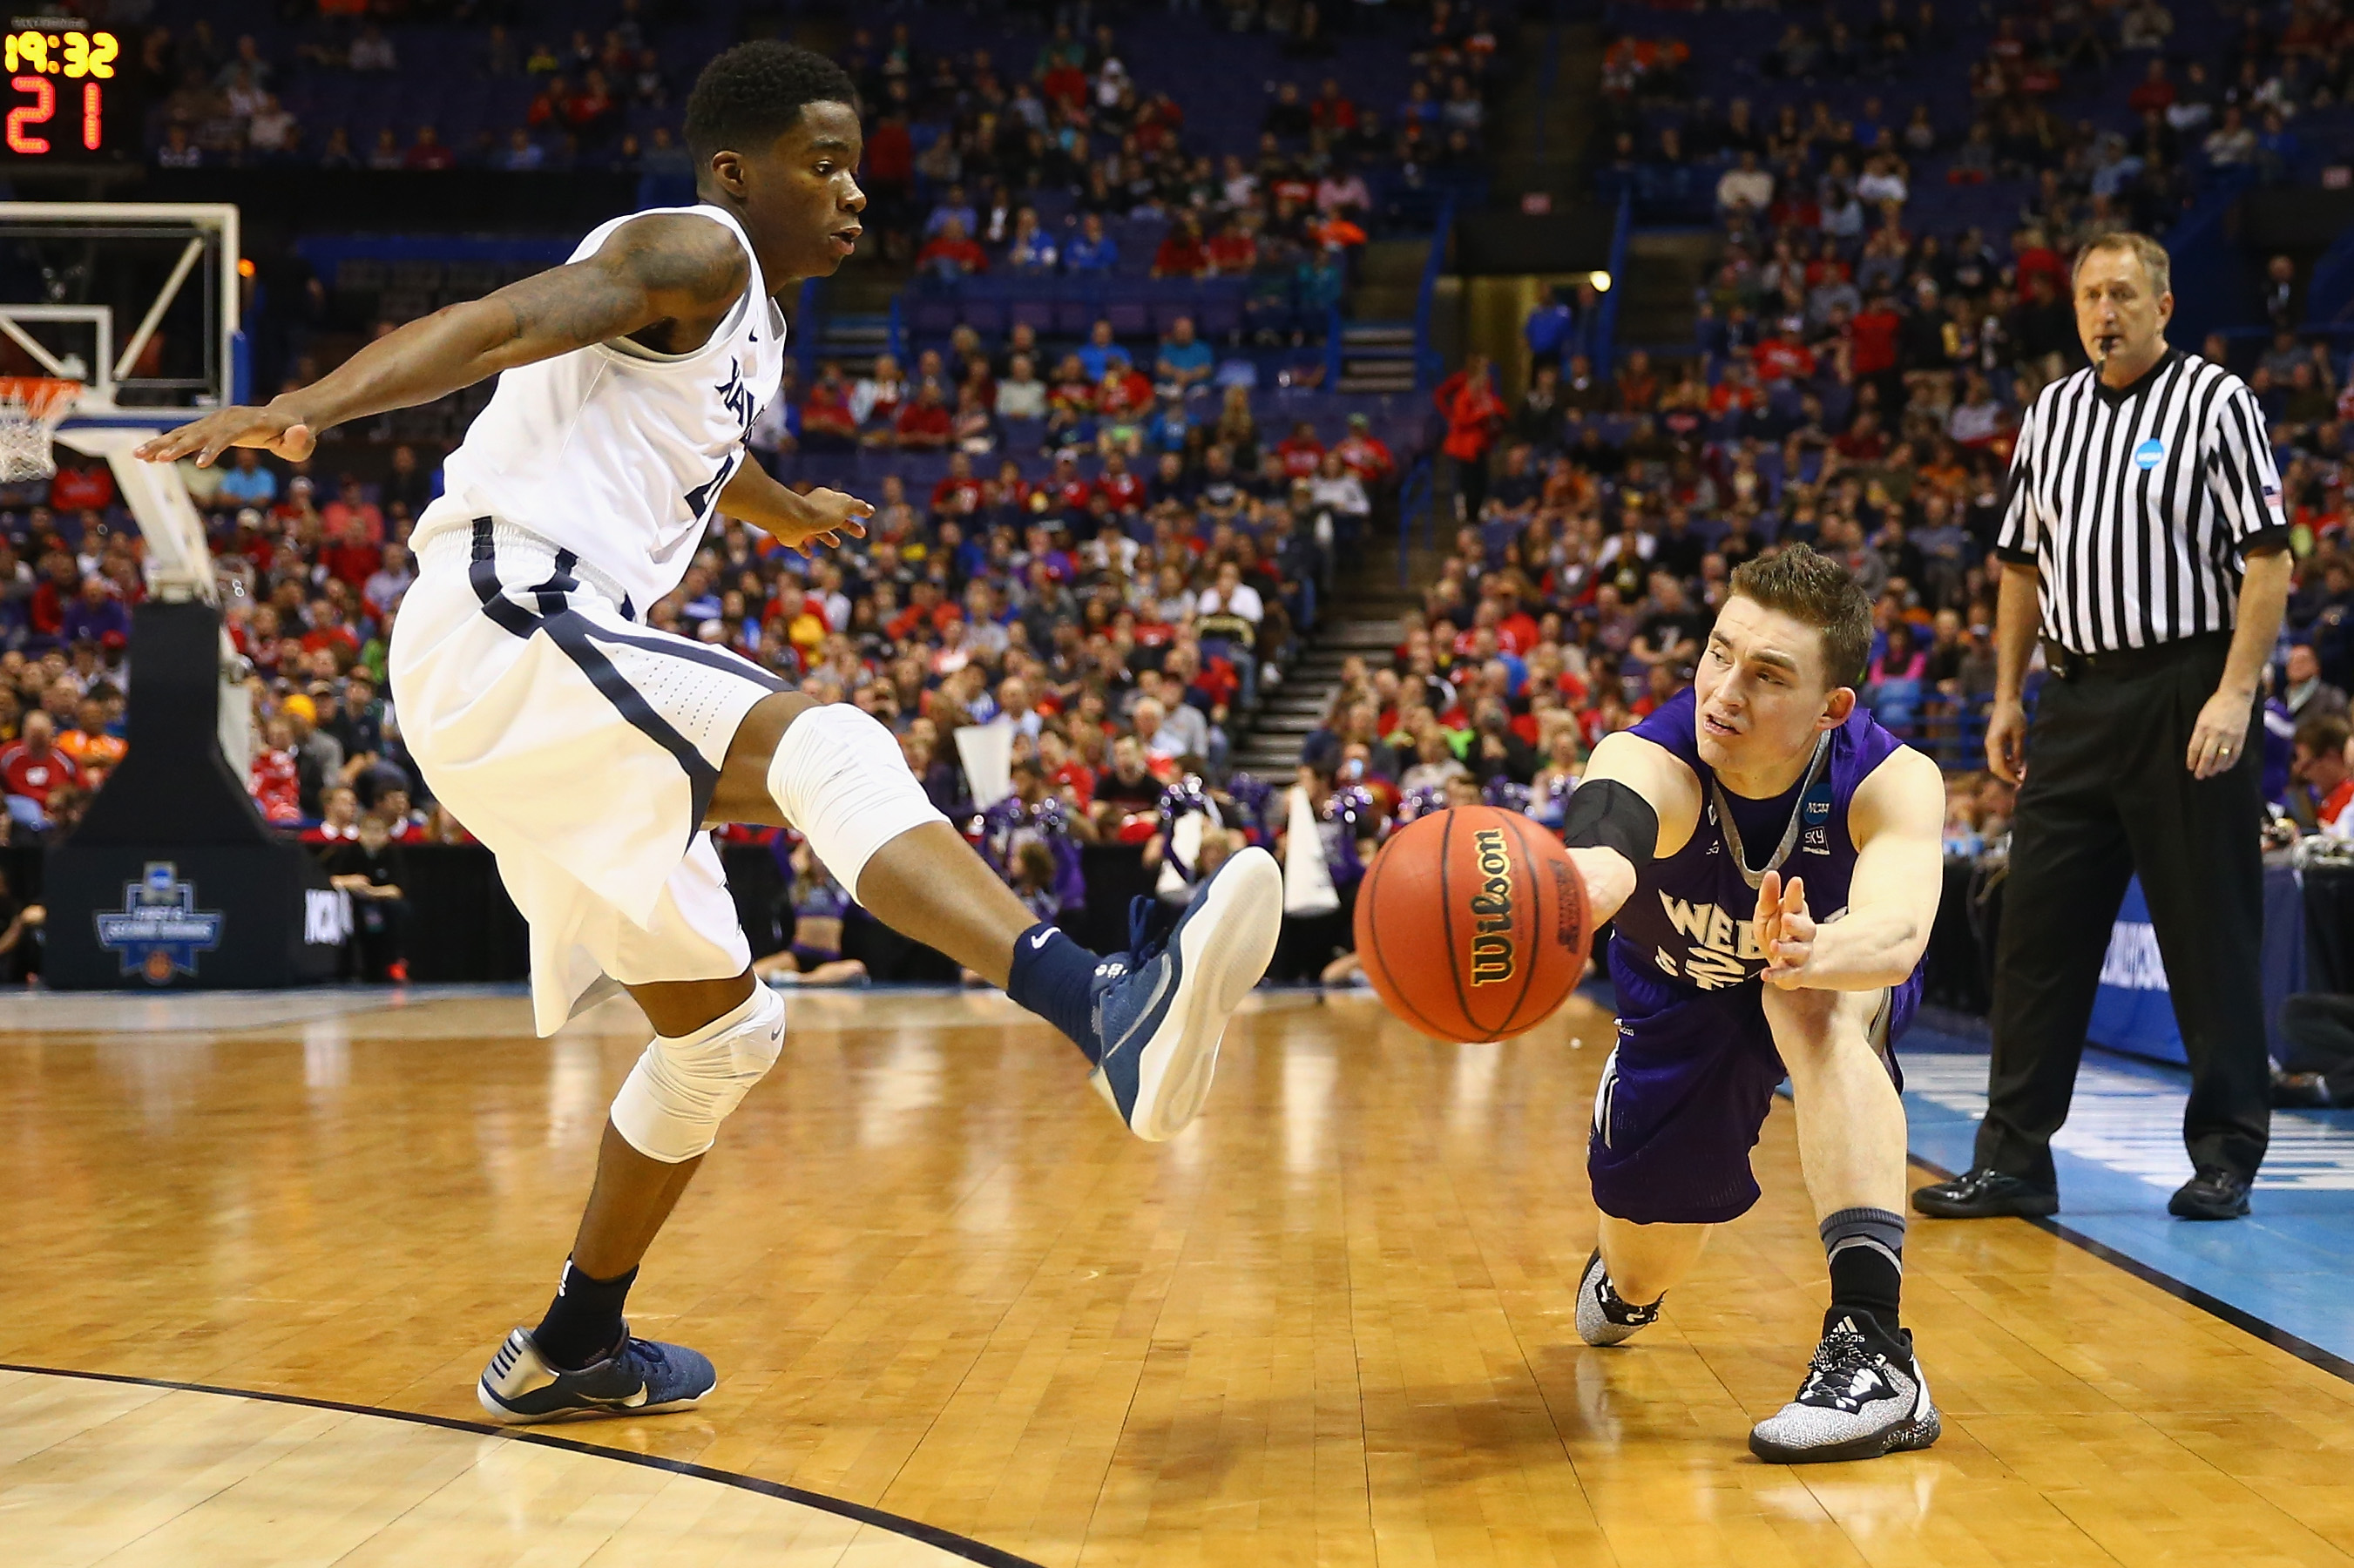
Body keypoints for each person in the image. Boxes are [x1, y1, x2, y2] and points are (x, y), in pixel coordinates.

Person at [139, 41, 1282, 1428]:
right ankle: (1099, 1004)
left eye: (857, 164)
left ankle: (571, 1345)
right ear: (738, 172)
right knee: (827, 743)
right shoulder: (698, 245)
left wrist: (780, 506)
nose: (854, 192)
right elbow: (501, 324)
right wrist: (303, 410)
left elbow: (694, 451)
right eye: (823, 163)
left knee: (726, 1036)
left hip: (536, 664)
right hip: (513, 612)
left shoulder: (751, 329)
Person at [1914, 232, 2287, 1226]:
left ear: (2163, 306)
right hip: (2071, 699)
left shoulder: (2215, 402)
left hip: (2184, 689)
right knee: (2034, 931)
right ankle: (2014, 1160)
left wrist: (2234, 691)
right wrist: (2004, 695)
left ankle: (2224, 1154)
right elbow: (2018, 566)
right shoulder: (2048, 414)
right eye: (2087, 295)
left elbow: (2265, 559)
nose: (2102, 312)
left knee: (2205, 931)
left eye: (2122, 293)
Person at [1556, 544, 1947, 1463]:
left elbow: (1895, 933)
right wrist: (1569, 897)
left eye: (1767, 675)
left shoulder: (1893, 781)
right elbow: (1602, 854)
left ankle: (1873, 1350)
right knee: (1636, 1270)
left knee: (1811, 1005)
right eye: (1717, 653)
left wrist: (1817, 949)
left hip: (1823, 969)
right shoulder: (1644, 757)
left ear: (1830, 708)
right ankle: (1625, 1278)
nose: (1724, 691)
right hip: (1679, 994)